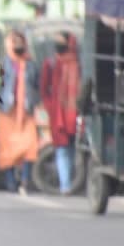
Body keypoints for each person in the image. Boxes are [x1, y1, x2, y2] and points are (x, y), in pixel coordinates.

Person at [0, 30, 39, 195]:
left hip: (26, 110)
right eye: (15, 42)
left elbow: (37, 84)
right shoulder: (4, 63)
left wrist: (34, 100)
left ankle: (25, 180)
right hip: (7, 110)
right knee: (8, 148)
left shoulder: (31, 64)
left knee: (29, 146)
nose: (18, 46)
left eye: (20, 42)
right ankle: (11, 182)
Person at [40, 32, 80, 193]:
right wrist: (50, 106)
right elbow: (44, 89)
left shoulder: (78, 64)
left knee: (73, 149)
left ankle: (70, 182)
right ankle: (66, 185)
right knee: (62, 149)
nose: (58, 44)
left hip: (75, 113)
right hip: (58, 114)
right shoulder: (50, 63)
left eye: (61, 41)